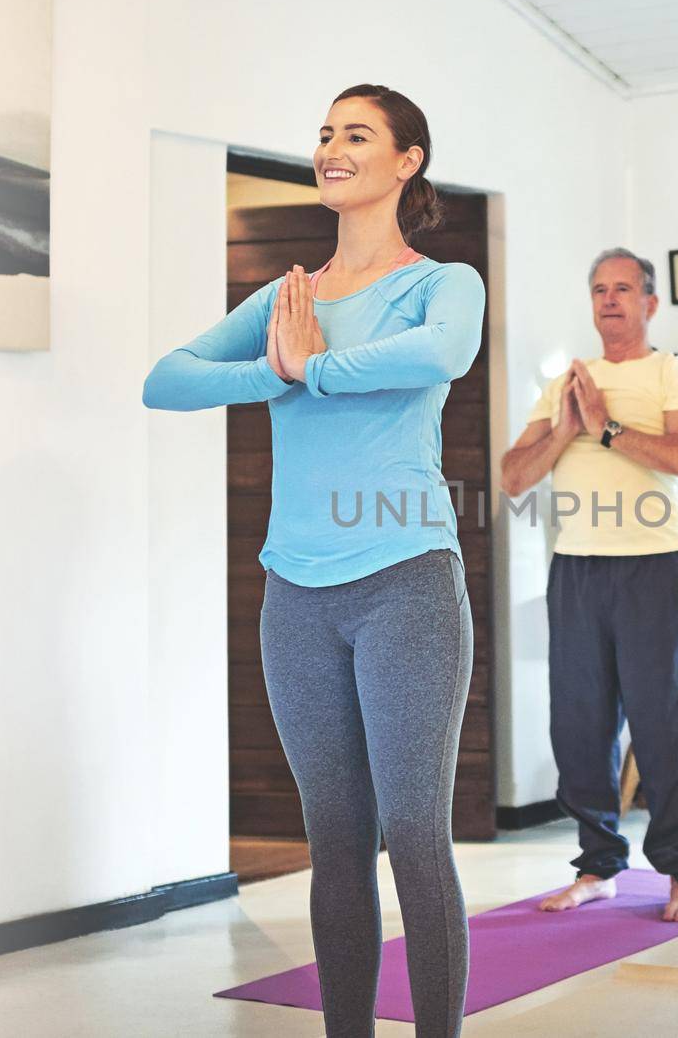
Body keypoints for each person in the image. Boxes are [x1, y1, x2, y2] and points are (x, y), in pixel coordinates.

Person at [144, 84, 484, 1036]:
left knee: (415, 835)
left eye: (358, 135)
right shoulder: (283, 298)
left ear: (407, 159)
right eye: (326, 134)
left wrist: (312, 370)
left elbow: (440, 356)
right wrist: (271, 369)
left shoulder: (440, 283)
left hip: (406, 583)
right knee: (335, 840)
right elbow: (164, 379)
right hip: (295, 593)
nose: (333, 148)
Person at [499, 247, 678, 923]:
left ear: (651, 302)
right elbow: (513, 475)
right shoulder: (568, 383)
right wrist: (567, 428)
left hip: (654, 563)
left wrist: (608, 429)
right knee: (579, 724)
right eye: (599, 289)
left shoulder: (673, 374)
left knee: (665, 723)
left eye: (624, 289)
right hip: (579, 567)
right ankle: (598, 865)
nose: (610, 300)